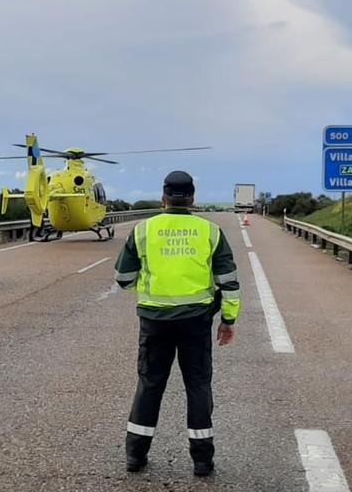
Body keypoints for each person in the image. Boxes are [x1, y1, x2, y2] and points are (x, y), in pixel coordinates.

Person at [113, 170, 241, 477]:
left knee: (150, 384)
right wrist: (228, 319)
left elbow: (123, 279)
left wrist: (147, 288)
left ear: (163, 197)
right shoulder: (210, 231)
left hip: (154, 321)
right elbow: (229, 282)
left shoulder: (144, 230)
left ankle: (135, 455)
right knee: (197, 385)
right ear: (193, 198)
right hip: (196, 322)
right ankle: (202, 461)